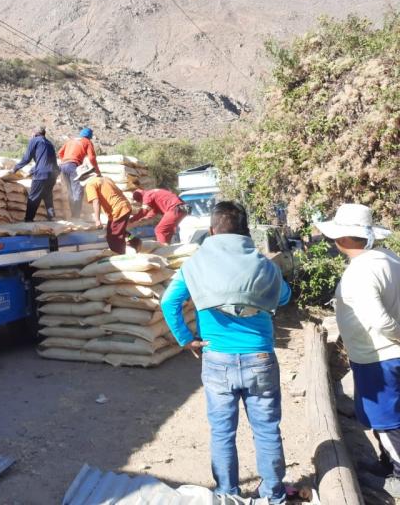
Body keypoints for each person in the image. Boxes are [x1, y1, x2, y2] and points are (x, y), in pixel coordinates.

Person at [160, 201, 292, 504]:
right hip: (260, 357)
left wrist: (186, 339)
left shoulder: (194, 265)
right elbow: (284, 297)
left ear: (211, 231)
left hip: (216, 357)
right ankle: (274, 495)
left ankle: (227, 493)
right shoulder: (263, 264)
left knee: (222, 432)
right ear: (245, 231)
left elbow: (169, 302)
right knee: (267, 430)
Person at [315, 204, 400, 497]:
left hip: (378, 356)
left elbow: (380, 320)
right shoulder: (387, 258)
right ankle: (387, 464)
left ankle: (398, 475)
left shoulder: (361, 271)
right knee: (388, 417)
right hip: (385, 354)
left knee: (386, 421)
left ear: (346, 238)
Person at [75, 162, 132, 254]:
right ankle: (134, 240)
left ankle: (119, 256)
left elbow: (96, 201)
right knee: (118, 231)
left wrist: (97, 220)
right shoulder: (105, 178)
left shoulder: (90, 184)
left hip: (118, 210)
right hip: (124, 206)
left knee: (113, 237)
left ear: (83, 177)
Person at [13, 127, 58, 222]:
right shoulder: (49, 143)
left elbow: (26, 158)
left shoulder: (35, 140)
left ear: (34, 133)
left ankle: (28, 220)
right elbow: (45, 160)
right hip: (53, 175)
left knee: (33, 197)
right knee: (48, 197)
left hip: (41, 175)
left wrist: (15, 168)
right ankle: (52, 218)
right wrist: (32, 171)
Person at [58, 128, 100, 218]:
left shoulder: (70, 141)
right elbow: (92, 158)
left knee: (70, 191)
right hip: (72, 166)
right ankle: (76, 216)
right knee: (78, 190)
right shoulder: (87, 142)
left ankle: (73, 215)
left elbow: (60, 153)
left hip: (62, 166)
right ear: (90, 136)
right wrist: (97, 171)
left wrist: (65, 161)